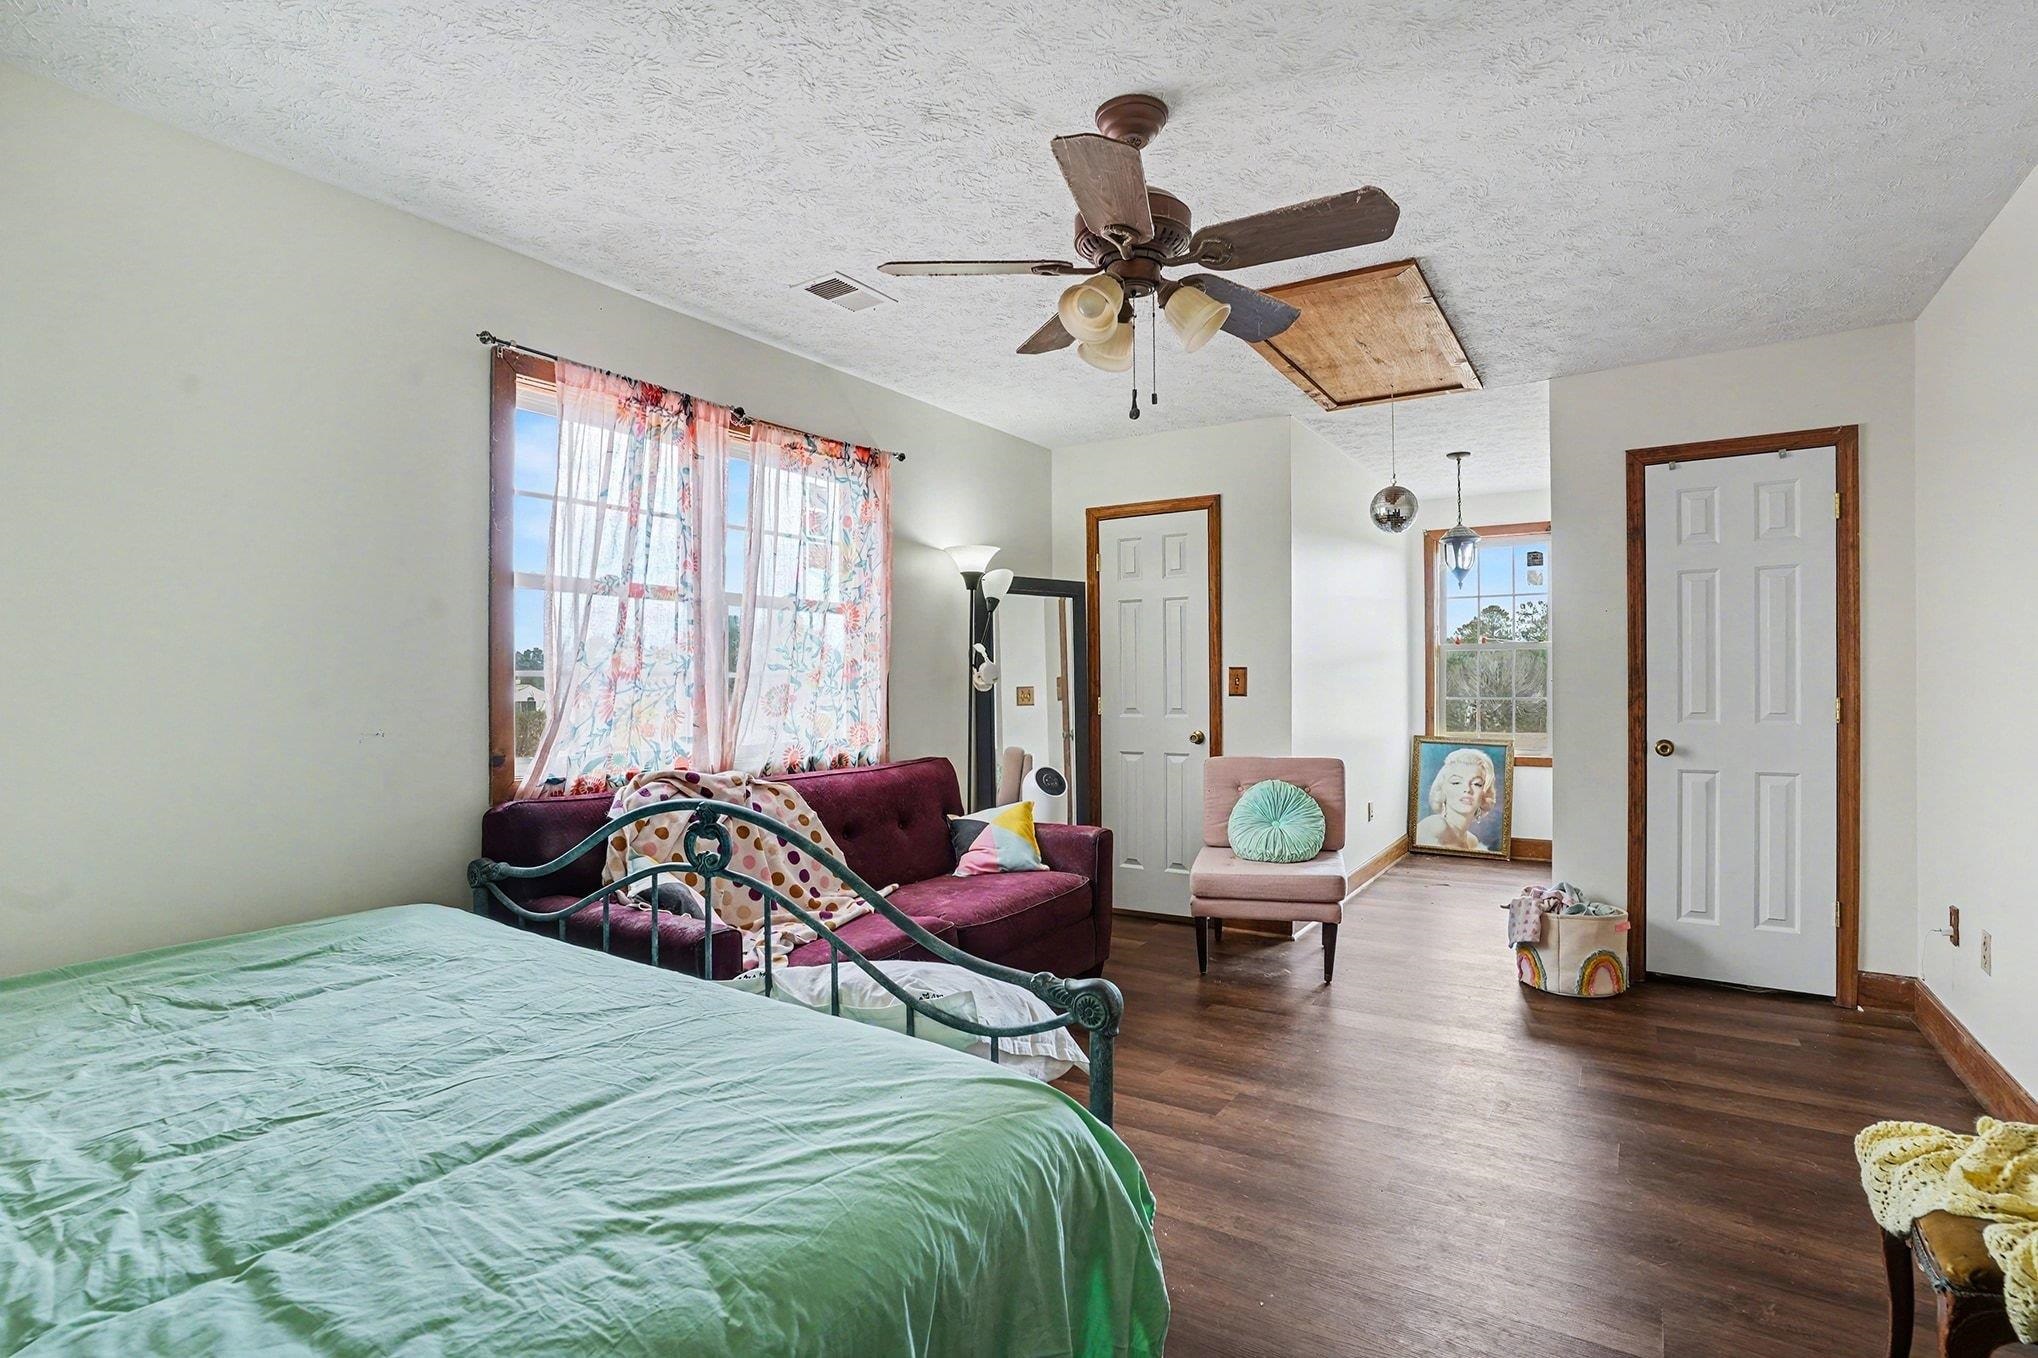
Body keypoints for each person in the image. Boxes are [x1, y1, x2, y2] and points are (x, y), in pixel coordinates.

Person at [1416, 747, 1500, 851]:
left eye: (1477, 784)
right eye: (1456, 782)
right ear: (1442, 790)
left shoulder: (1472, 840)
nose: (1467, 789)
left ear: (1484, 794)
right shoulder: (1435, 826)